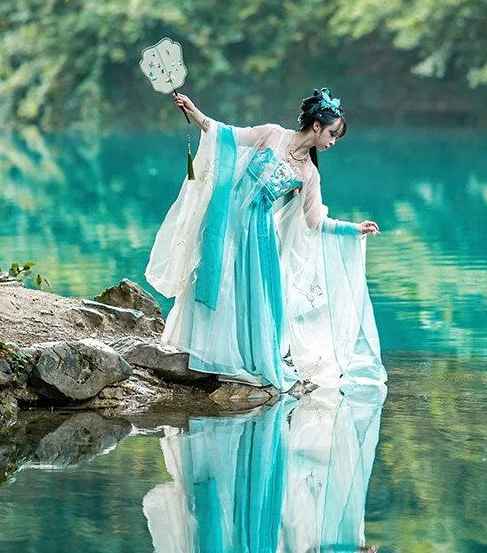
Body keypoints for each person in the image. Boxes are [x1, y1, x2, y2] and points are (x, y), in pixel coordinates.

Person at [145, 88, 387, 392]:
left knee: (252, 295)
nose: (332, 142)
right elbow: (226, 136)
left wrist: (354, 229)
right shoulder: (273, 134)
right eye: (332, 135)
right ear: (316, 126)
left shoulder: (309, 173)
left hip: (258, 234)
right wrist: (194, 113)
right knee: (218, 281)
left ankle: (240, 359)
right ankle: (205, 350)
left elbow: (314, 221)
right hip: (227, 216)